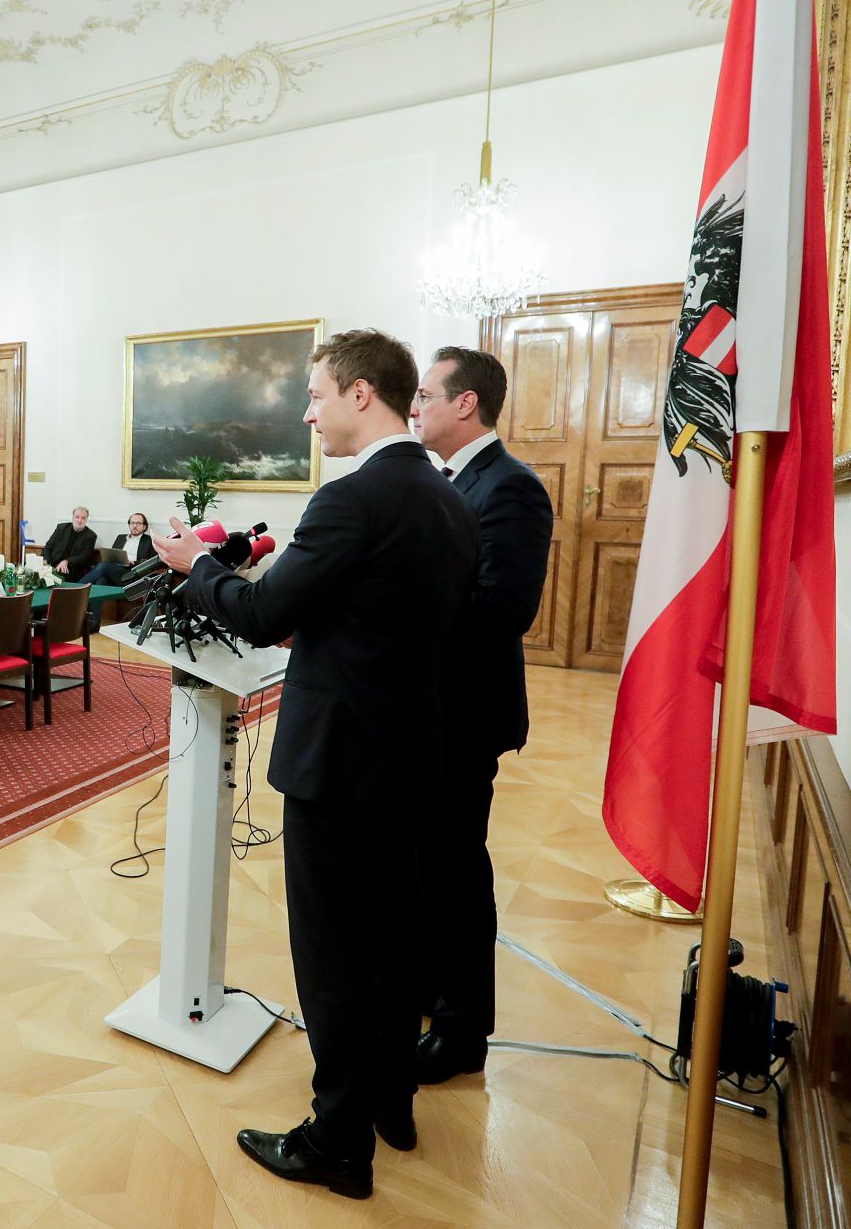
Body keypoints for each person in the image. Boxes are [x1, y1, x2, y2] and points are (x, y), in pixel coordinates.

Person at [156, 328, 477, 1201]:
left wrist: (193, 568)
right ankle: (388, 1102)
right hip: (414, 756)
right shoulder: (448, 498)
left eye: (316, 395)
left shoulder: (354, 498)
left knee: (337, 959)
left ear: (362, 395)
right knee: (396, 943)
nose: (307, 412)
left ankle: (336, 1142)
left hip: (342, 764)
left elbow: (261, 614)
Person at [408, 346, 554, 1085]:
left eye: (427, 395)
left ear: (466, 404)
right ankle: (435, 994)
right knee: (429, 866)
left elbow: (504, 607)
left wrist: (395, 621)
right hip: (424, 712)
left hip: (464, 714)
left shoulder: (511, 489)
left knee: (458, 872)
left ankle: (464, 1030)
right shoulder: (444, 484)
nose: (416, 406)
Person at [80, 512, 154, 628]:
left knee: (104, 566)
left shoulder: (149, 540)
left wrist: (133, 562)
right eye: (132, 523)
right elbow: (113, 556)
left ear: (144, 526)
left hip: (133, 576)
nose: (135, 526)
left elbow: (151, 562)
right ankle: (94, 623)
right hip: (116, 572)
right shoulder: (120, 538)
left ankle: (77, 587)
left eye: (139, 523)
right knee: (100, 583)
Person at [42, 507, 99, 581]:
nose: (79, 520)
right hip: (52, 564)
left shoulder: (91, 536)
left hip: (72, 569)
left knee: (59, 575)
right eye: (77, 517)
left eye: (83, 518)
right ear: (73, 517)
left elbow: (84, 557)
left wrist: (67, 561)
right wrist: (45, 560)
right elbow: (48, 547)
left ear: (86, 519)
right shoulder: (61, 528)